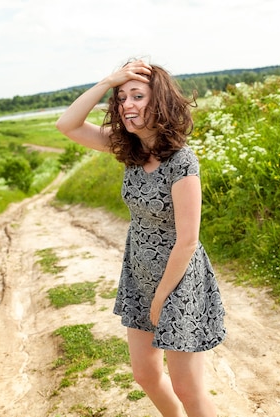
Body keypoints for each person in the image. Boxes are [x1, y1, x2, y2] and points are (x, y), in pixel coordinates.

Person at [56, 59, 226, 417]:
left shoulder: (182, 162)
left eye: (137, 96)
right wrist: (107, 81)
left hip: (178, 280)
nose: (127, 105)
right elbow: (66, 124)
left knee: (188, 388)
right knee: (145, 374)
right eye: (121, 98)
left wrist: (162, 297)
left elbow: (187, 241)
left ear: (159, 102)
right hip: (139, 274)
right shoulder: (130, 151)